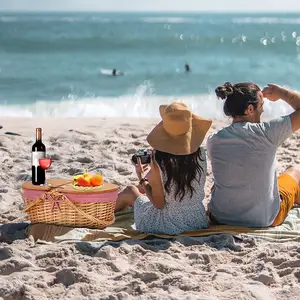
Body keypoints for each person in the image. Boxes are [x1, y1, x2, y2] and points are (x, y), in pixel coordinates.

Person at [207, 82, 300, 228]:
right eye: (261, 105)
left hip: (220, 216)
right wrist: (282, 93)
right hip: (262, 219)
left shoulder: (214, 140)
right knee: (294, 173)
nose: (263, 111)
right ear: (250, 109)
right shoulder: (267, 133)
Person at [115, 102, 212, 235]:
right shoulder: (200, 154)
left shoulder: (160, 162)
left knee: (130, 190)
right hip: (198, 220)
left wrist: (142, 177)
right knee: (144, 190)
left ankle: (101, 215)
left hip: (168, 225)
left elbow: (159, 204)